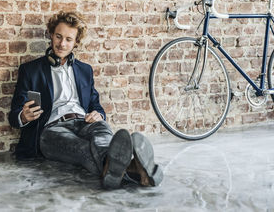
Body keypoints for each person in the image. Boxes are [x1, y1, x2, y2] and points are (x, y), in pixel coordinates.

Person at [8, 11, 163, 189]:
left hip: (85, 122)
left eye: (68, 39)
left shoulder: (85, 70)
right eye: (58, 37)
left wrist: (99, 115)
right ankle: (135, 169)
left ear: (76, 43)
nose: (62, 43)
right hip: (52, 130)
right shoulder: (30, 70)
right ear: (51, 35)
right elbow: (14, 116)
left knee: (103, 132)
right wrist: (24, 116)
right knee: (81, 149)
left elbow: (95, 105)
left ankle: (118, 170)